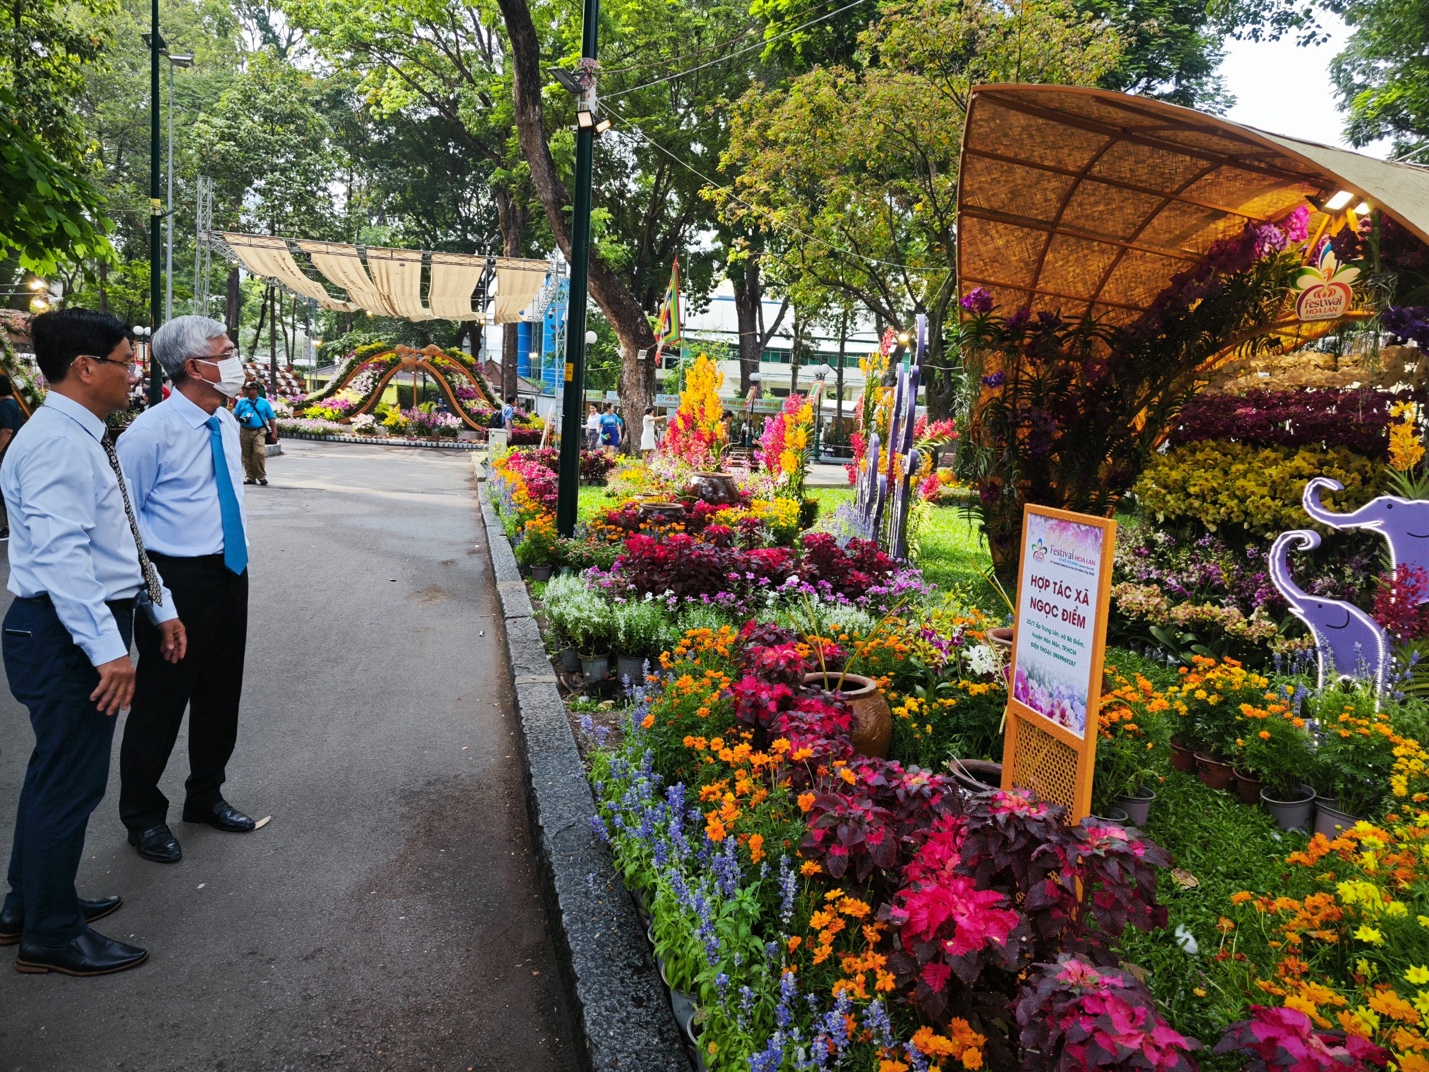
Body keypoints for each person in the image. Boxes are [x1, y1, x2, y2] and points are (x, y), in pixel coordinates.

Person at [0, 308, 187, 975]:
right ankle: (49, 933)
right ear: (85, 368)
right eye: (125, 360)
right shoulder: (57, 442)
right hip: (64, 630)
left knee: (56, 773)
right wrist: (107, 651)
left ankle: (29, 904)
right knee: (71, 782)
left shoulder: (81, 433)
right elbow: (63, 559)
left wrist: (156, 603)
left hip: (71, 623)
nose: (134, 371)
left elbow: (116, 536)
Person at [116, 316, 259, 865]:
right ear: (196, 367)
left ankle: (205, 796)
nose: (235, 359)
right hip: (175, 580)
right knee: (160, 702)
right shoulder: (147, 434)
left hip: (229, 573)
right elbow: (127, 528)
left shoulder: (221, 422)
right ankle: (143, 816)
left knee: (221, 694)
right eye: (227, 352)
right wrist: (158, 604)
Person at [232, 381, 276, 486]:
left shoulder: (264, 403)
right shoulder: (241, 402)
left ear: (255, 390)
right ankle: (250, 477)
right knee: (247, 455)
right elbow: (235, 417)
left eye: (248, 389)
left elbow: (271, 418)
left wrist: (274, 432)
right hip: (244, 431)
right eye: (245, 389)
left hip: (259, 431)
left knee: (259, 453)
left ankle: (261, 476)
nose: (245, 391)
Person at [0, 375, 27, 541]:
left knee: (6, 491)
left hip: (6, 452)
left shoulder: (4, 405)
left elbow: (6, 430)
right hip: (14, 452)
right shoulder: (13, 403)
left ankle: (9, 527)